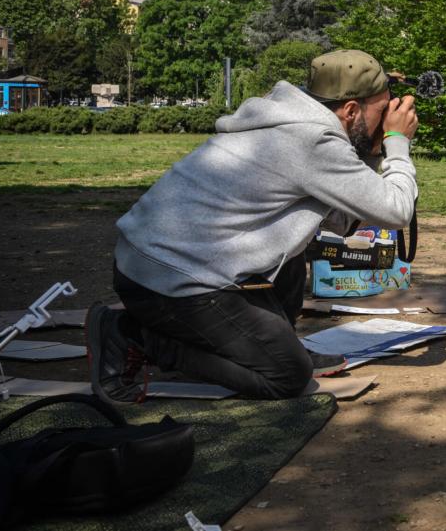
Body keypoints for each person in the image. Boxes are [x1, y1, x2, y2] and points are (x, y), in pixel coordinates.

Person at [85, 49, 419, 403]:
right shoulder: (313, 141)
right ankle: (132, 336)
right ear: (351, 110)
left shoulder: (287, 119)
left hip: (155, 262)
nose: (390, 119)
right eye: (383, 110)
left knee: (296, 235)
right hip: (170, 281)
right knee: (286, 377)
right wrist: (398, 144)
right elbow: (395, 211)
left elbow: (344, 214)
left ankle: (271, 344)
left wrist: (373, 147)